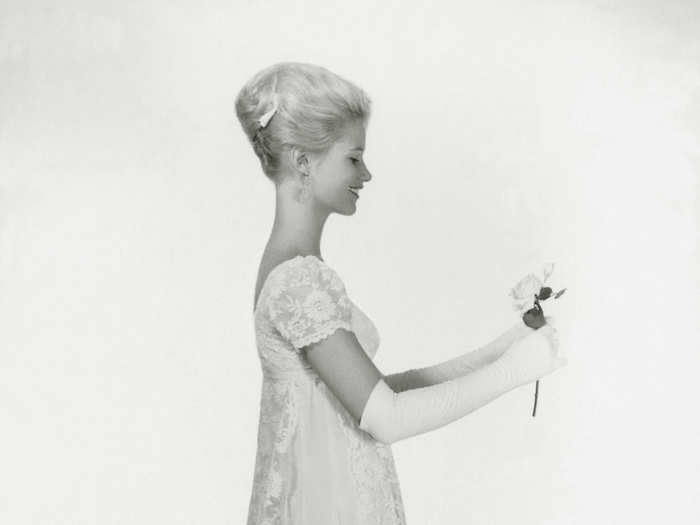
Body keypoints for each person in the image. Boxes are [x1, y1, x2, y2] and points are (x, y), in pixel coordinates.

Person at [236, 61, 567, 525]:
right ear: (303, 160)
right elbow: (385, 416)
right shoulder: (298, 280)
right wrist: (515, 371)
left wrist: (500, 349)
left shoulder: (293, 270)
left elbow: (373, 392)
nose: (366, 173)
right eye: (354, 157)